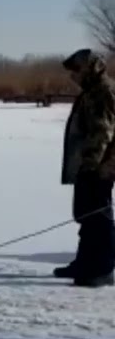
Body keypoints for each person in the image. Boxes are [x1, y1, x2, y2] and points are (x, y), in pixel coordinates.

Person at [56, 48, 115, 287]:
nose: (73, 76)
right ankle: (85, 262)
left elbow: (103, 132)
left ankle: (102, 268)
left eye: (76, 71)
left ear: (90, 69)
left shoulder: (103, 92)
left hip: (102, 166)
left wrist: (90, 165)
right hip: (90, 164)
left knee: (98, 215)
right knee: (85, 213)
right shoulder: (91, 91)